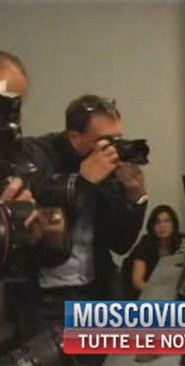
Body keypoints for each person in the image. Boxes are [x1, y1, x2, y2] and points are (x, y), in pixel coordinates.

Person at [20, 94, 148, 365]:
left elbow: (121, 244)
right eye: (106, 140)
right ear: (75, 136)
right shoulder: (37, 153)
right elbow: (33, 197)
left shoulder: (108, 166)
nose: (113, 148)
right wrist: (83, 181)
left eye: (118, 138)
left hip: (96, 290)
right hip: (47, 299)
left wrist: (135, 198)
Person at [121, 204, 185, 299]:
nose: (162, 226)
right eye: (158, 222)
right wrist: (160, 293)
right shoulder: (145, 244)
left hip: (173, 292)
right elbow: (137, 282)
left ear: (174, 225)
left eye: (167, 221)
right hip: (147, 294)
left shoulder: (182, 242)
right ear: (152, 226)